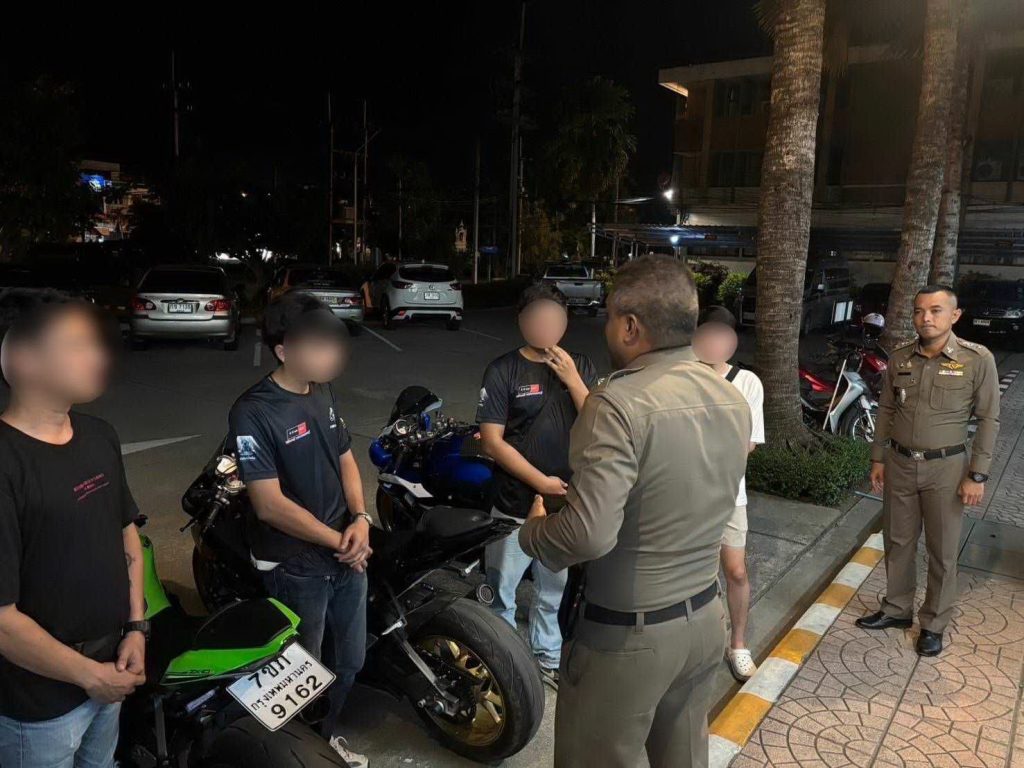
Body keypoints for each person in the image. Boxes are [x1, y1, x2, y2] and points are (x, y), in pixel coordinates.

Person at [519, 256, 751, 768]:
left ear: (630, 326)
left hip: (628, 635)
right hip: (704, 616)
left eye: (608, 317)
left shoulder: (617, 403)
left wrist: (533, 532)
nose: (606, 328)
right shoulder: (728, 395)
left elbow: (587, 535)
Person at [0, 289, 147, 768]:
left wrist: (136, 628)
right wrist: (87, 675)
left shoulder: (100, 435)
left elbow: (125, 531)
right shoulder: (7, 463)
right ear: (23, 359)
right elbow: (2, 620)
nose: (98, 356)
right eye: (78, 344)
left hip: (112, 669)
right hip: (39, 707)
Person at [228, 291, 371, 767]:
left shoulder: (322, 391)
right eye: (317, 344)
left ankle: (323, 742)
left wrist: (361, 519)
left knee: (349, 662)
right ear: (283, 350)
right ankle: (288, 755)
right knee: (299, 675)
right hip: (295, 565)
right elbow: (269, 505)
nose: (330, 354)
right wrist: (340, 542)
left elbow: (345, 457)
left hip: (346, 553)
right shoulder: (253, 410)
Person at [857, 285, 1000, 657]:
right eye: (919, 311)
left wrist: (977, 474)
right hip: (900, 464)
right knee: (898, 541)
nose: (926, 318)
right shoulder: (901, 357)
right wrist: (878, 458)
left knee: (942, 550)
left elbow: (989, 419)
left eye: (936, 310)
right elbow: (887, 409)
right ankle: (896, 609)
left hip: (946, 469)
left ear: (955, 315)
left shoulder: (976, 359)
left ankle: (934, 623)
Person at [476, 282, 597, 688]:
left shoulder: (579, 364)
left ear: (565, 322)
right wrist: (540, 482)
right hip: (513, 501)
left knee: (552, 589)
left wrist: (573, 378)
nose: (547, 326)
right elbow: (492, 442)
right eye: (538, 317)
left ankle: (546, 656)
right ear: (522, 321)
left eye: (555, 318)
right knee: (503, 587)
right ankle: (506, 664)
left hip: (563, 505)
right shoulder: (503, 370)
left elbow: (599, 424)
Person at [693, 306, 764, 682]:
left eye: (721, 335)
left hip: (729, 497)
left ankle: (737, 644)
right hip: (685, 497)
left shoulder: (746, 381)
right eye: (707, 333)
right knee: (694, 576)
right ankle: (698, 649)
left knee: (735, 570)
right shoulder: (681, 376)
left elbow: (747, 444)